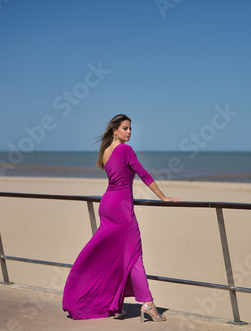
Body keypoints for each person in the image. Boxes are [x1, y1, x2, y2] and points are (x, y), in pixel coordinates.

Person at [62, 114, 181, 323]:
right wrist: (163, 197)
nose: (129, 132)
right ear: (115, 130)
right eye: (125, 128)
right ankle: (148, 303)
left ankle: (113, 304)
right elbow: (144, 174)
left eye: (130, 129)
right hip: (121, 209)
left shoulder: (105, 151)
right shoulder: (125, 150)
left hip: (107, 205)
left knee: (114, 257)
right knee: (134, 256)